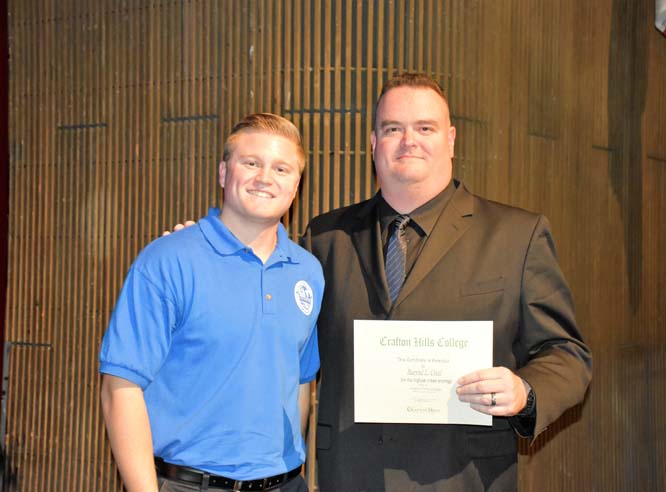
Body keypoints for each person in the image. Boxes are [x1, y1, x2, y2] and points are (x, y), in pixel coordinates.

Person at [301, 73, 592, 491]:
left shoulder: (516, 236)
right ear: (372, 143)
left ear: (451, 140)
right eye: (392, 129)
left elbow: (566, 354)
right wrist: (198, 257)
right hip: (351, 476)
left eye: (425, 128)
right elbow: (271, 330)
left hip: (464, 478)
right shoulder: (324, 238)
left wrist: (525, 392)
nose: (408, 140)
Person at [99, 113, 324, 492]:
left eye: (281, 168)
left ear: (296, 185)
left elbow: (301, 381)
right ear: (223, 173)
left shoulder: (308, 272)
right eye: (251, 163)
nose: (265, 178)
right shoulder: (167, 261)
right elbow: (119, 387)